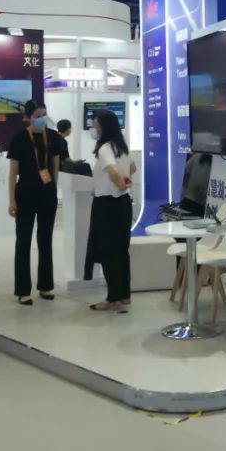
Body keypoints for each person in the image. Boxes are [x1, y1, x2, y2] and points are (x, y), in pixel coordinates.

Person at [8, 100, 60, 305]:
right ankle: (23, 290)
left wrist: (53, 189)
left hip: (47, 195)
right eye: (37, 116)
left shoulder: (53, 137)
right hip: (25, 195)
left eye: (44, 114)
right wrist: (11, 199)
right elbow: (13, 172)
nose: (42, 119)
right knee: (23, 242)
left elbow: (55, 166)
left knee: (45, 241)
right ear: (28, 117)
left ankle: (46, 286)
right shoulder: (19, 139)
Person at [85, 110, 137, 312]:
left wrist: (120, 184)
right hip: (122, 204)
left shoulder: (105, 148)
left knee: (108, 252)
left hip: (107, 205)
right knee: (121, 251)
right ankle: (123, 295)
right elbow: (132, 168)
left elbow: (113, 170)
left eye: (96, 125)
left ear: (104, 127)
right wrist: (125, 184)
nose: (94, 128)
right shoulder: (121, 146)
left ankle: (112, 297)